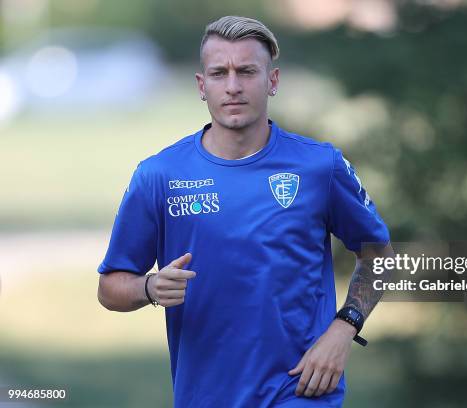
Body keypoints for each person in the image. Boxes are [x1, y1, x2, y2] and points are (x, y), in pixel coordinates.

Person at [97, 15, 392, 408]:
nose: (233, 86)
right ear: (202, 86)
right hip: (204, 396)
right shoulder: (160, 176)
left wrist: (343, 330)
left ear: (272, 80)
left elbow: (380, 259)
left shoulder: (320, 166)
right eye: (219, 73)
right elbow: (110, 287)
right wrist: (149, 288)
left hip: (302, 391)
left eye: (247, 71)